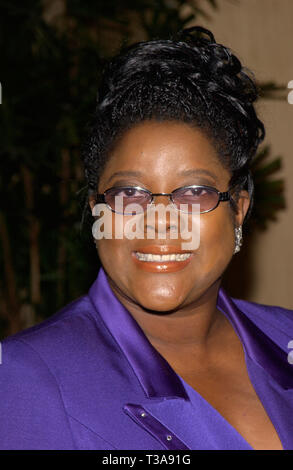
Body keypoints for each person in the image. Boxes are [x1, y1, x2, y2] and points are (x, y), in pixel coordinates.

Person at [1, 26, 293, 451]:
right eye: (128, 193)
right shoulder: (28, 376)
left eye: (194, 192)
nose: (157, 221)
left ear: (239, 211)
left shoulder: (285, 335)